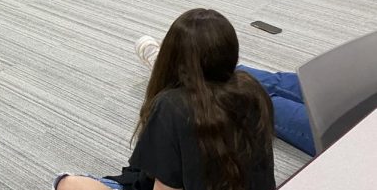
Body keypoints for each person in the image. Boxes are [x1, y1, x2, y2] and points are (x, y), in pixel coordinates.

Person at [32, 9, 275, 190]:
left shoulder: (173, 106)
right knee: (118, 186)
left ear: (172, 57)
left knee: (67, 184)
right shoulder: (252, 90)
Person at [135, 35, 315, 156]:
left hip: (342, 140)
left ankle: (179, 75)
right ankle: (190, 72)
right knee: (276, 81)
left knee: (260, 102)